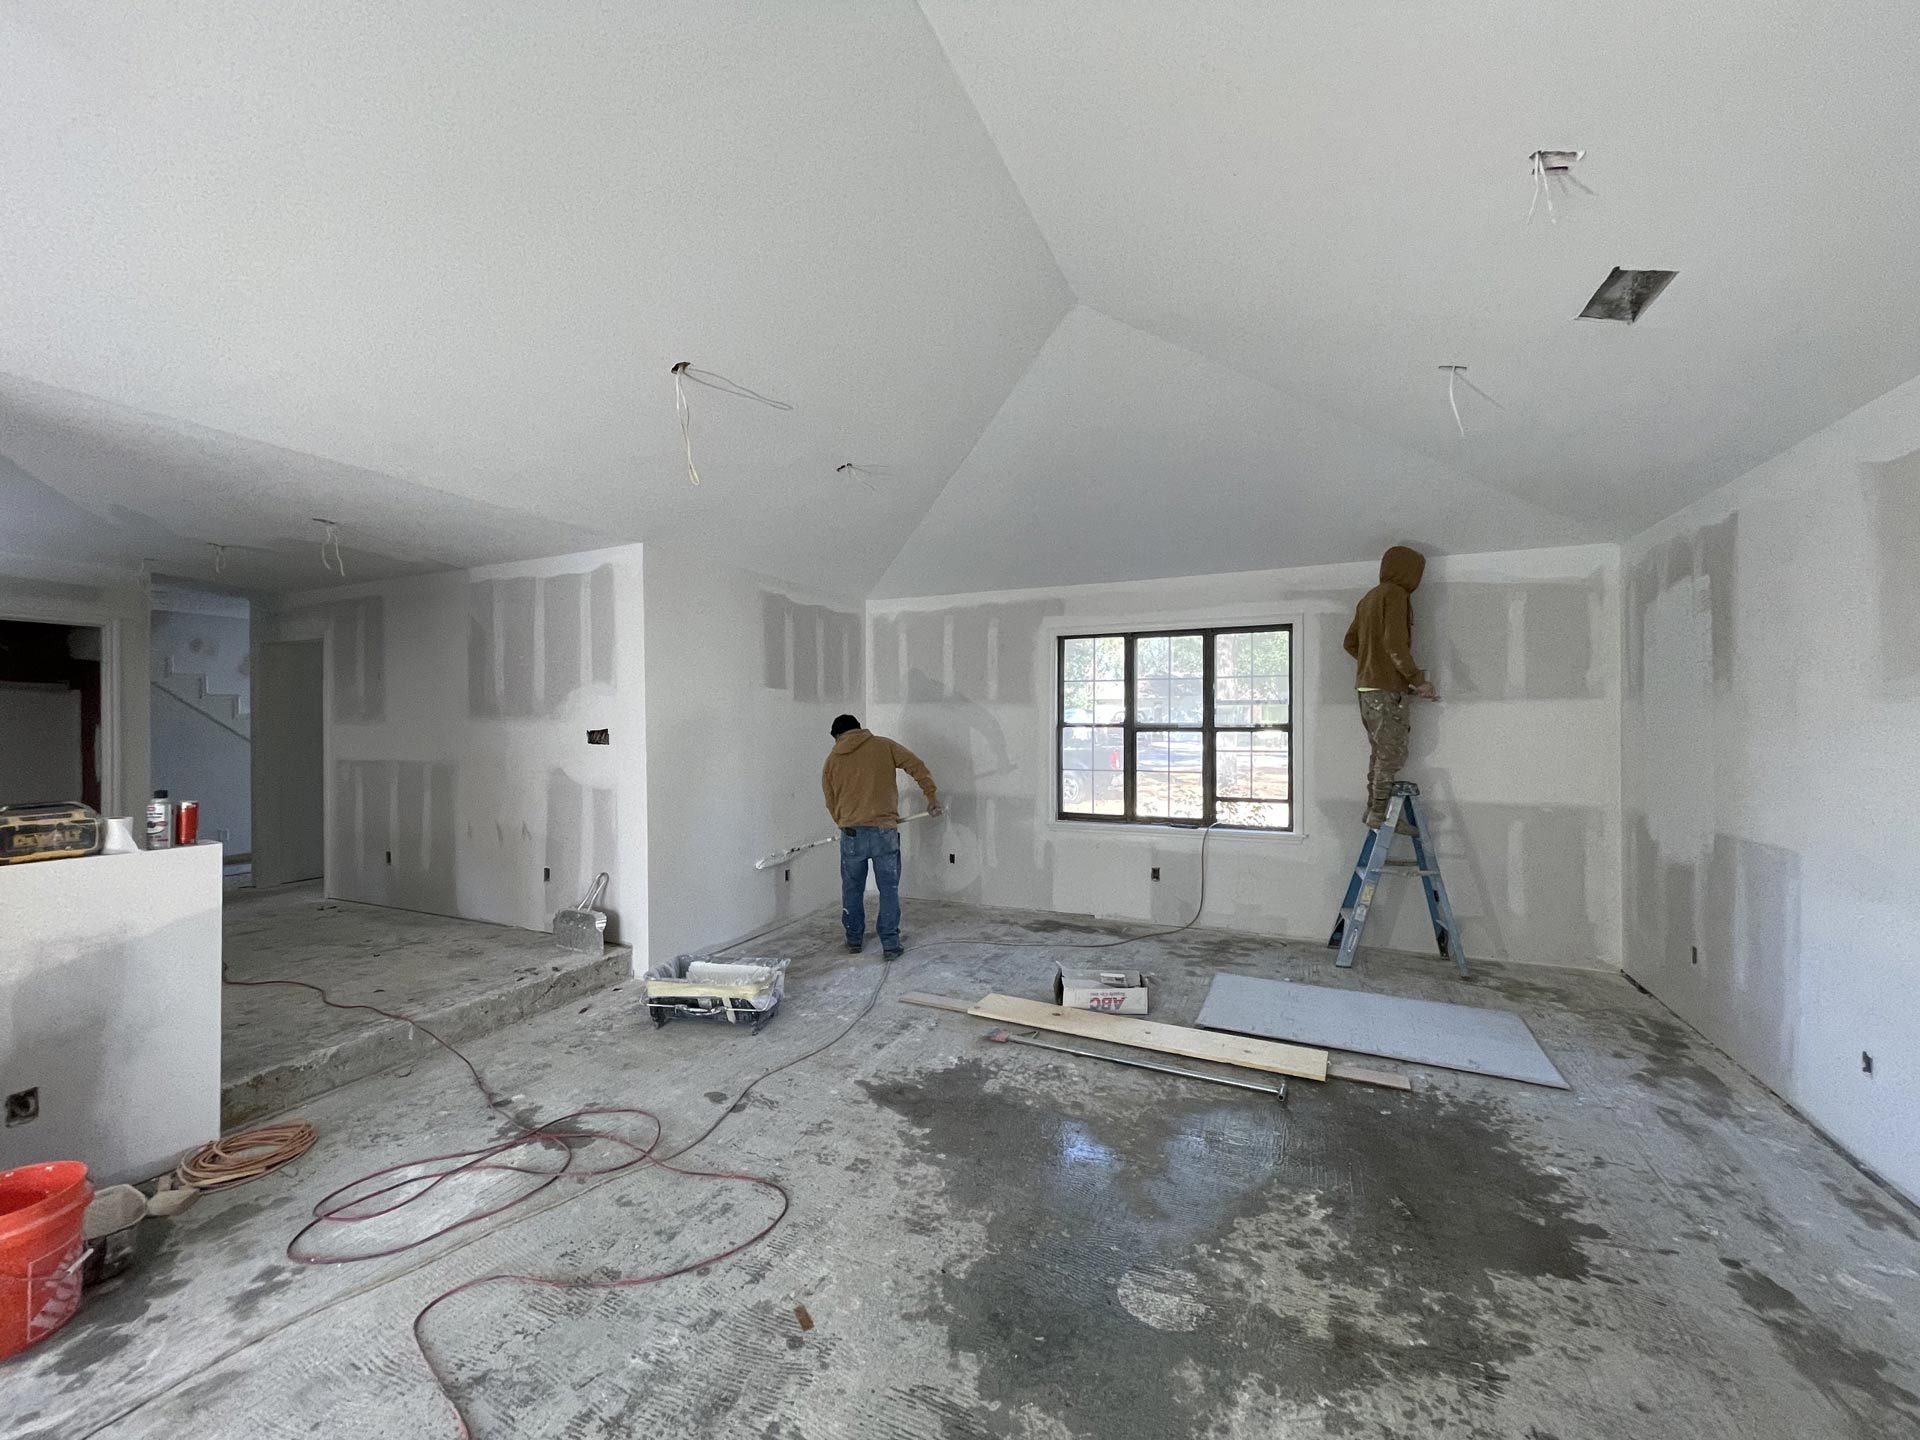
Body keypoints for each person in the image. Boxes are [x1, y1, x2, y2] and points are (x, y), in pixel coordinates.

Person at [821, 714, 941, 959]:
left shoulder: (832, 760)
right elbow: (917, 766)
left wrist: (843, 822)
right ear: (859, 729)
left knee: (852, 888)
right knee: (888, 889)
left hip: (851, 834)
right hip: (883, 832)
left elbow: (830, 800)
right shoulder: (884, 746)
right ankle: (890, 944)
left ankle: (854, 939)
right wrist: (931, 797)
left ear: (838, 736)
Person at [1343, 546, 1439, 829]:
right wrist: (1418, 680)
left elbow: (1350, 643)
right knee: (1392, 752)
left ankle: (1373, 809)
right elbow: (1395, 645)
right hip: (1385, 692)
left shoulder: (1368, 598)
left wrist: (1374, 664)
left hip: (1366, 689)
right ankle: (1380, 814)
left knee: (1379, 751)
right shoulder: (1396, 595)